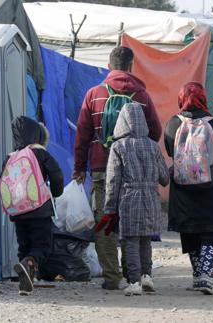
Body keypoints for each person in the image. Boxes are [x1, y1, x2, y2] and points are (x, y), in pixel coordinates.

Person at [73, 46, 162, 290]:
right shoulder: (142, 96)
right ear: (131, 66)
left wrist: (80, 167)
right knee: (135, 225)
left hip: (103, 168)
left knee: (106, 222)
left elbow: (82, 134)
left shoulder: (94, 94)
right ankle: (138, 275)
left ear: (109, 66)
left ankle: (112, 277)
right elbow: (155, 131)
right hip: (136, 174)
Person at [164, 82, 213, 295]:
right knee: (212, 232)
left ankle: (198, 275)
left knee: (192, 232)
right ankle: (207, 275)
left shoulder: (172, 124)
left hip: (182, 191)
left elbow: (172, 152)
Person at [102, 103, 170, 296]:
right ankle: (147, 276)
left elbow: (113, 181)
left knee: (130, 240)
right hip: (150, 197)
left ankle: (134, 282)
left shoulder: (118, 147)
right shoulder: (152, 146)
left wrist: (109, 209)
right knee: (145, 239)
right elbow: (164, 178)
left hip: (129, 198)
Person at [4, 116, 64, 295]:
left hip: (18, 211)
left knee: (24, 245)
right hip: (40, 210)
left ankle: (25, 283)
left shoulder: (11, 157)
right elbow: (56, 174)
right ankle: (29, 263)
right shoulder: (40, 152)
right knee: (42, 246)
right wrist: (56, 192)